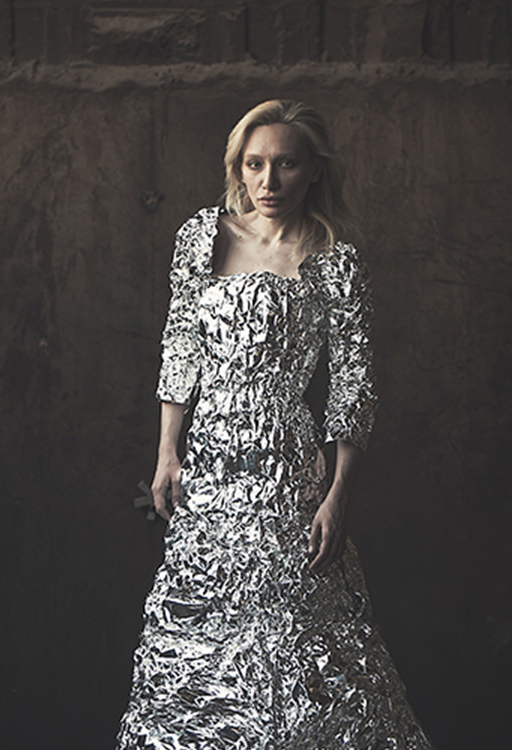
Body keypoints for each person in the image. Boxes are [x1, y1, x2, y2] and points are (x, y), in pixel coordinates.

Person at [117, 100, 433, 749]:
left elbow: (353, 383)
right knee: (199, 635)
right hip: (208, 467)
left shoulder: (334, 259)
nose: (268, 180)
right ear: (238, 167)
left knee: (298, 631)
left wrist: (338, 494)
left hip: (288, 468)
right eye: (254, 164)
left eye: (285, 164)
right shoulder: (201, 236)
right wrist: (167, 454)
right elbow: (181, 346)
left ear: (312, 170)